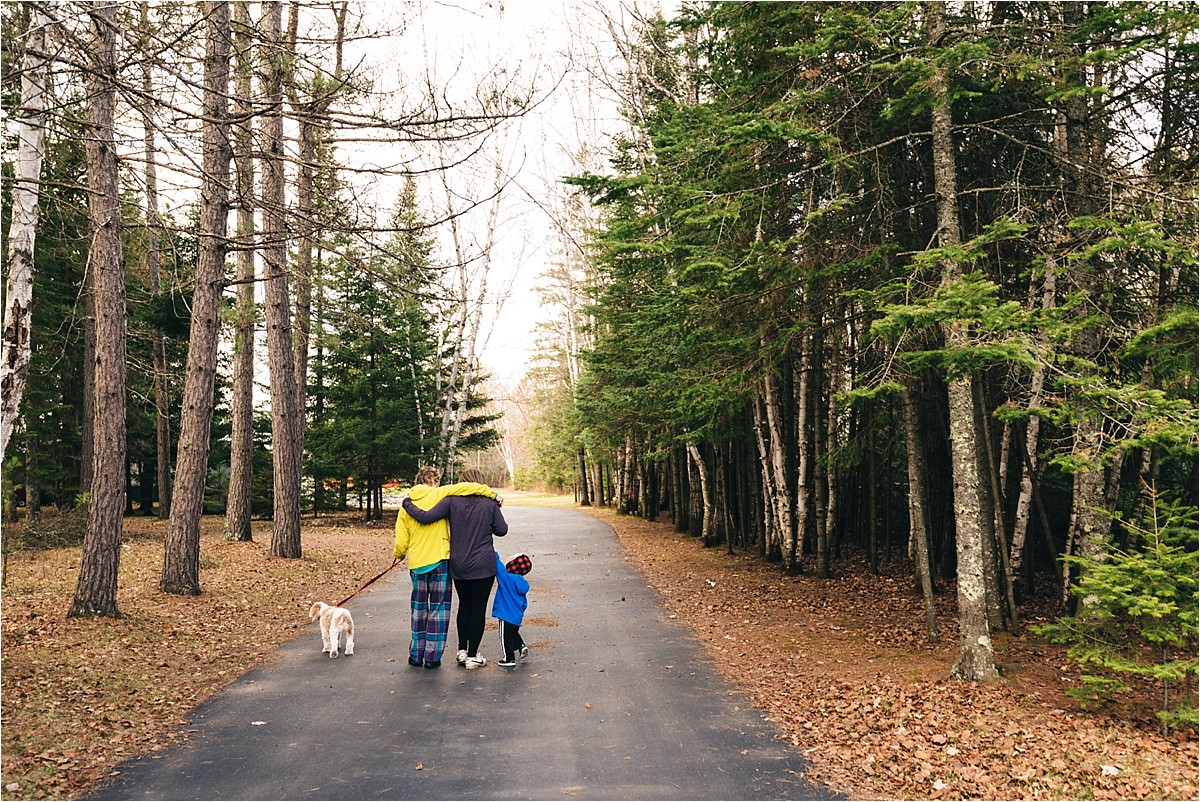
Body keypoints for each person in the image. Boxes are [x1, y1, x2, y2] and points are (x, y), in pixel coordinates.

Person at [401, 468, 507, 669]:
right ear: (480, 483)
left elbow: (426, 517)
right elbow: (502, 530)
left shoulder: (451, 501)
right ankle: (473, 655)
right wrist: (494, 509)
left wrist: (407, 504)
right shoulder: (489, 504)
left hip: (459, 564)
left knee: (465, 606)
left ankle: (462, 650)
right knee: (478, 608)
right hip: (483, 565)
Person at [492, 551, 532, 668]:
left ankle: (508, 658)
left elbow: (499, 569)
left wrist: (494, 555)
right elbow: (524, 604)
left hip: (505, 614)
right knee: (513, 633)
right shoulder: (521, 583)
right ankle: (521, 646)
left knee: (505, 637)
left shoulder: (507, 579)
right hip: (516, 616)